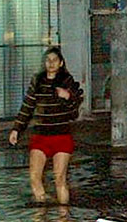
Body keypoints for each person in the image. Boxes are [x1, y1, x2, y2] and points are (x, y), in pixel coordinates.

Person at [8, 46, 83, 205]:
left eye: (54, 60)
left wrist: (67, 96)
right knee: (34, 178)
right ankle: (41, 215)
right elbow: (27, 107)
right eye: (48, 60)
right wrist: (16, 129)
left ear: (61, 63)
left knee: (59, 178)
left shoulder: (67, 82)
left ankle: (63, 219)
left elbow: (74, 111)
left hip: (61, 136)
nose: (51, 63)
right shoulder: (37, 81)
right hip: (40, 136)